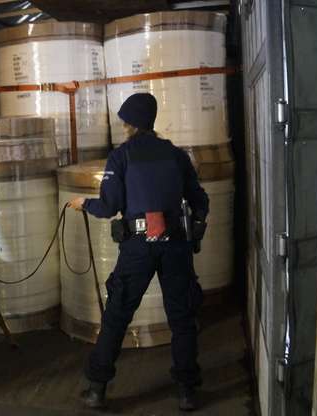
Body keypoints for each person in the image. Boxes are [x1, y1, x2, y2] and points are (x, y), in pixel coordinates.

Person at [68, 93, 209, 411]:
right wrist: (197, 223)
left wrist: (83, 204)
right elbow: (199, 199)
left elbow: (109, 206)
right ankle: (187, 391)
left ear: (130, 123)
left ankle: (96, 389)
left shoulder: (122, 157)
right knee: (182, 317)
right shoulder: (176, 155)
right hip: (175, 245)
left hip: (138, 248)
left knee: (117, 315)